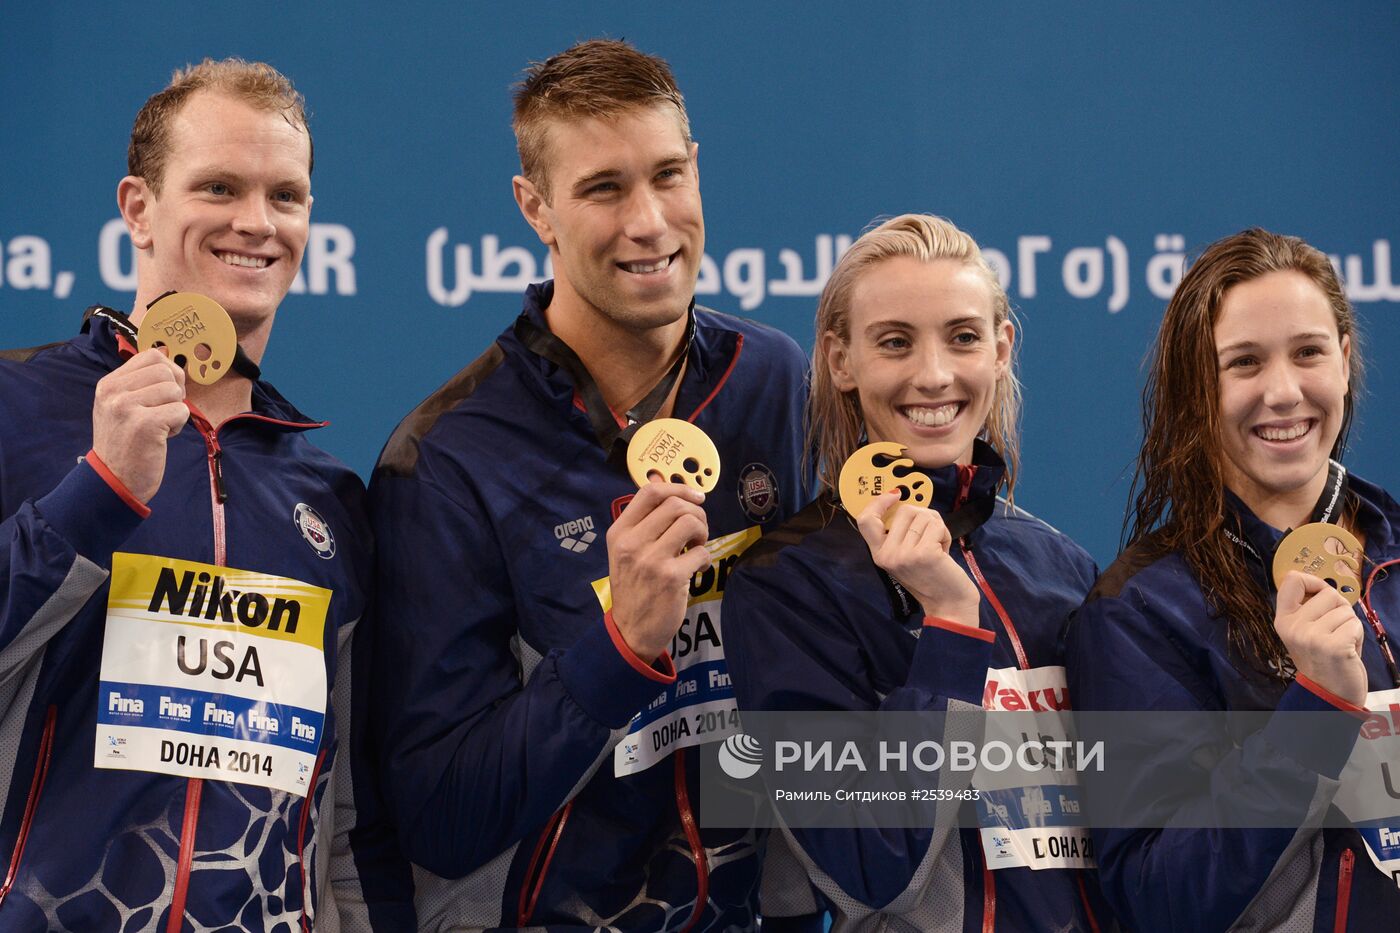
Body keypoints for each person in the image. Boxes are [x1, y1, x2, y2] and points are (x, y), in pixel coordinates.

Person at [359, 39, 811, 931]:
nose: (649, 221)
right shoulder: (447, 458)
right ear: (537, 209)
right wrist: (620, 650)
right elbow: (439, 815)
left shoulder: (774, 381)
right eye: (604, 189)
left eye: (668, 175)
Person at [0, 59, 371, 930]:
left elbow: (352, 819)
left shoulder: (332, 497)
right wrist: (97, 491)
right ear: (138, 207)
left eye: (287, 195)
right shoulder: (16, 411)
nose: (257, 222)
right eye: (218, 186)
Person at [721, 213, 1113, 930]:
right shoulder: (785, 589)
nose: (934, 375)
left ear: (1002, 349)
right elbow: (872, 865)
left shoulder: (1062, 567)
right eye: (895, 342)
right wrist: (951, 625)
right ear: (842, 361)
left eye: (963, 337)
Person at [1065, 228, 1400, 930]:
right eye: (1244, 362)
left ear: (1344, 359)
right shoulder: (1141, 613)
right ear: (1197, 388)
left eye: (1308, 352)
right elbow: (1160, 900)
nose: (1284, 392)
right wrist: (1315, 715)